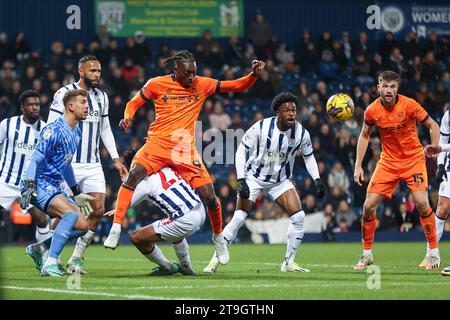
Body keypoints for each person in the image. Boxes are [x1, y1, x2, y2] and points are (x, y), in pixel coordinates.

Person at [104, 50, 265, 266]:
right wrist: (127, 117)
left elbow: (236, 86)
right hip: (158, 144)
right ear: (175, 70)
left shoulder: (202, 83)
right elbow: (133, 103)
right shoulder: (156, 84)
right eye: (187, 73)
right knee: (133, 176)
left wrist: (253, 75)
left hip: (184, 149)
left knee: (210, 197)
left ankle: (218, 239)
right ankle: (116, 227)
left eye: (194, 73)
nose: (191, 77)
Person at [203, 92, 325, 273]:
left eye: (293, 110)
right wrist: (241, 179)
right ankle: (213, 261)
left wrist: (317, 179)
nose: (291, 113)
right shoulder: (260, 127)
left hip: (280, 181)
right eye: (286, 110)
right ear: (278, 112)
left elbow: (309, 157)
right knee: (238, 217)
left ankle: (288, 262)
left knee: (299, 217)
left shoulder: (301, 133)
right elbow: (240, 152)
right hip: (254, 177)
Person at [48, 55, 127, 274]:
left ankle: (75, 259)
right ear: (81, 71)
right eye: (92, 71)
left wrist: (116, 159)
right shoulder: (64, 93)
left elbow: (105, 129)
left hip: (93, 164)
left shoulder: (102, 97)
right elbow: (51, 125)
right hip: (68, 164)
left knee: (98, 209)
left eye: (99, 71)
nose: (97, 74)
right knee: (66, 215)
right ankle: (46, 251)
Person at [353, 70, 440, 270]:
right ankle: (366, 254)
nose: (389, 90)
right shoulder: (372, 110)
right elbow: (364, 135)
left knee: (421, 203)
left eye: (393, 86)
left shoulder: (409, 104)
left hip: (413, 160)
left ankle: (433, 252)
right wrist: (358, 165)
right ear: (378, 88)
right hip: (388, 162)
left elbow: (432, 125)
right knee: (368, 207)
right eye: (385, 86)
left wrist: (434, 145)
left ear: (397, 88)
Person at [20, 89, 94, 277]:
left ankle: (40, 249)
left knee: (83, 225)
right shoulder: (54, 129)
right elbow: (35, 160)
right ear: (70, 106)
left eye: (87, 103)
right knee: (69, 215)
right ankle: (51, 263)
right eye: (83, 103)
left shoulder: (75, 132)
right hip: (37, 182)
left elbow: (66, 163)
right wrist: (29, 186)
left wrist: (76, 192)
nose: (87, 107)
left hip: (53, 185)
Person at [105, 149, 205, 276]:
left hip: (185, 219)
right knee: (173, 223)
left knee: (136, 237)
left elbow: (127, 197)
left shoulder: (144, 183)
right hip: (200, 209)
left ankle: (167, 267)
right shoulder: (166, 168)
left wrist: (126, 184)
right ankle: (185, 266)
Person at [0, 90, 50, 243]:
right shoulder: (7, 124)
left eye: (37, 104)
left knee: (42, 220)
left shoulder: (46, 130)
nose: (35, 107)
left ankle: (44, 258)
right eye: (30, 105)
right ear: (22, 107)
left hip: (28, 187)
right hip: (5, 182)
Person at [422, 118, 450, 276]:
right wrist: (440, 165)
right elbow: (443, 138)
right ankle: (431, 254)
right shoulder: (448, 115)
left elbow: (442, 145)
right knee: (441, 208)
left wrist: (441, 148)